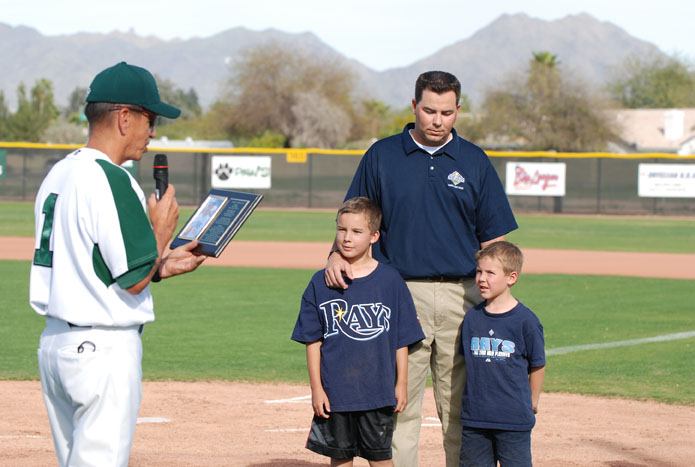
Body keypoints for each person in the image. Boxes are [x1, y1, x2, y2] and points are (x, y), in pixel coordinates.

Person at [325, 71, 518, 466]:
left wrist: (499, 303)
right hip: (397, 295)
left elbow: (494, 243)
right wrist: (335, 254)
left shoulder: (475, 161)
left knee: (459, 406)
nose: (437, 120)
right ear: (414, 107)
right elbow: (355, 219)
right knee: (400, 402)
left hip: (462, 297)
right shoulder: (381, 155)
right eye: (429, 110)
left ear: (458, 111)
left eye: (447, 112)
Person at [29, 61, 206, 467]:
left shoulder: (60, 172)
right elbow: (132, 280)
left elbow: (94, 263)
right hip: (102, 351)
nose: (154, 132)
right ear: (125, 117)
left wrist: (160, 266)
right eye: (151, 118)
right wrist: (160, 234)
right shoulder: (112, 177)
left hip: (56, 345)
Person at [292, 197, 425, 466]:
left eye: (357, 231)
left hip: (378, 391)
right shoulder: (321, 282)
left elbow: (401, 337)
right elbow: (312, 341)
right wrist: (317, 389)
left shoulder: (390, 281)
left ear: (374, 236)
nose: (347, 238)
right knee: (340, 459)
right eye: (341, 230)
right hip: (336, 392)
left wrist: (401, 384)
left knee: (381, 459)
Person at [458, 241, 545, 466]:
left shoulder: (526, 321)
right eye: (479, 271)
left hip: (513, 418)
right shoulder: (472, 318)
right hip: (475, 418)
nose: (481, 278)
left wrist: (532, 401)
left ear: (511, 278)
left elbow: (537, 364)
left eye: (490, 273)